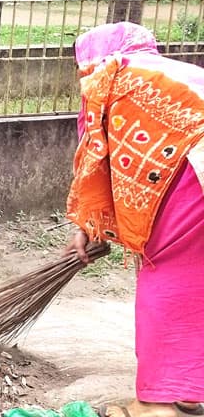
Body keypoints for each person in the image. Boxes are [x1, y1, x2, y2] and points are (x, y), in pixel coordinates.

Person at [63, 22, 204, 417]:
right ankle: (188, 389)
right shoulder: (172, 73)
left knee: (169, 273)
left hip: (195, 179)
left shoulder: (106, 80)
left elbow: (95, 166)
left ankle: (156, 405)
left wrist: (88, 228)